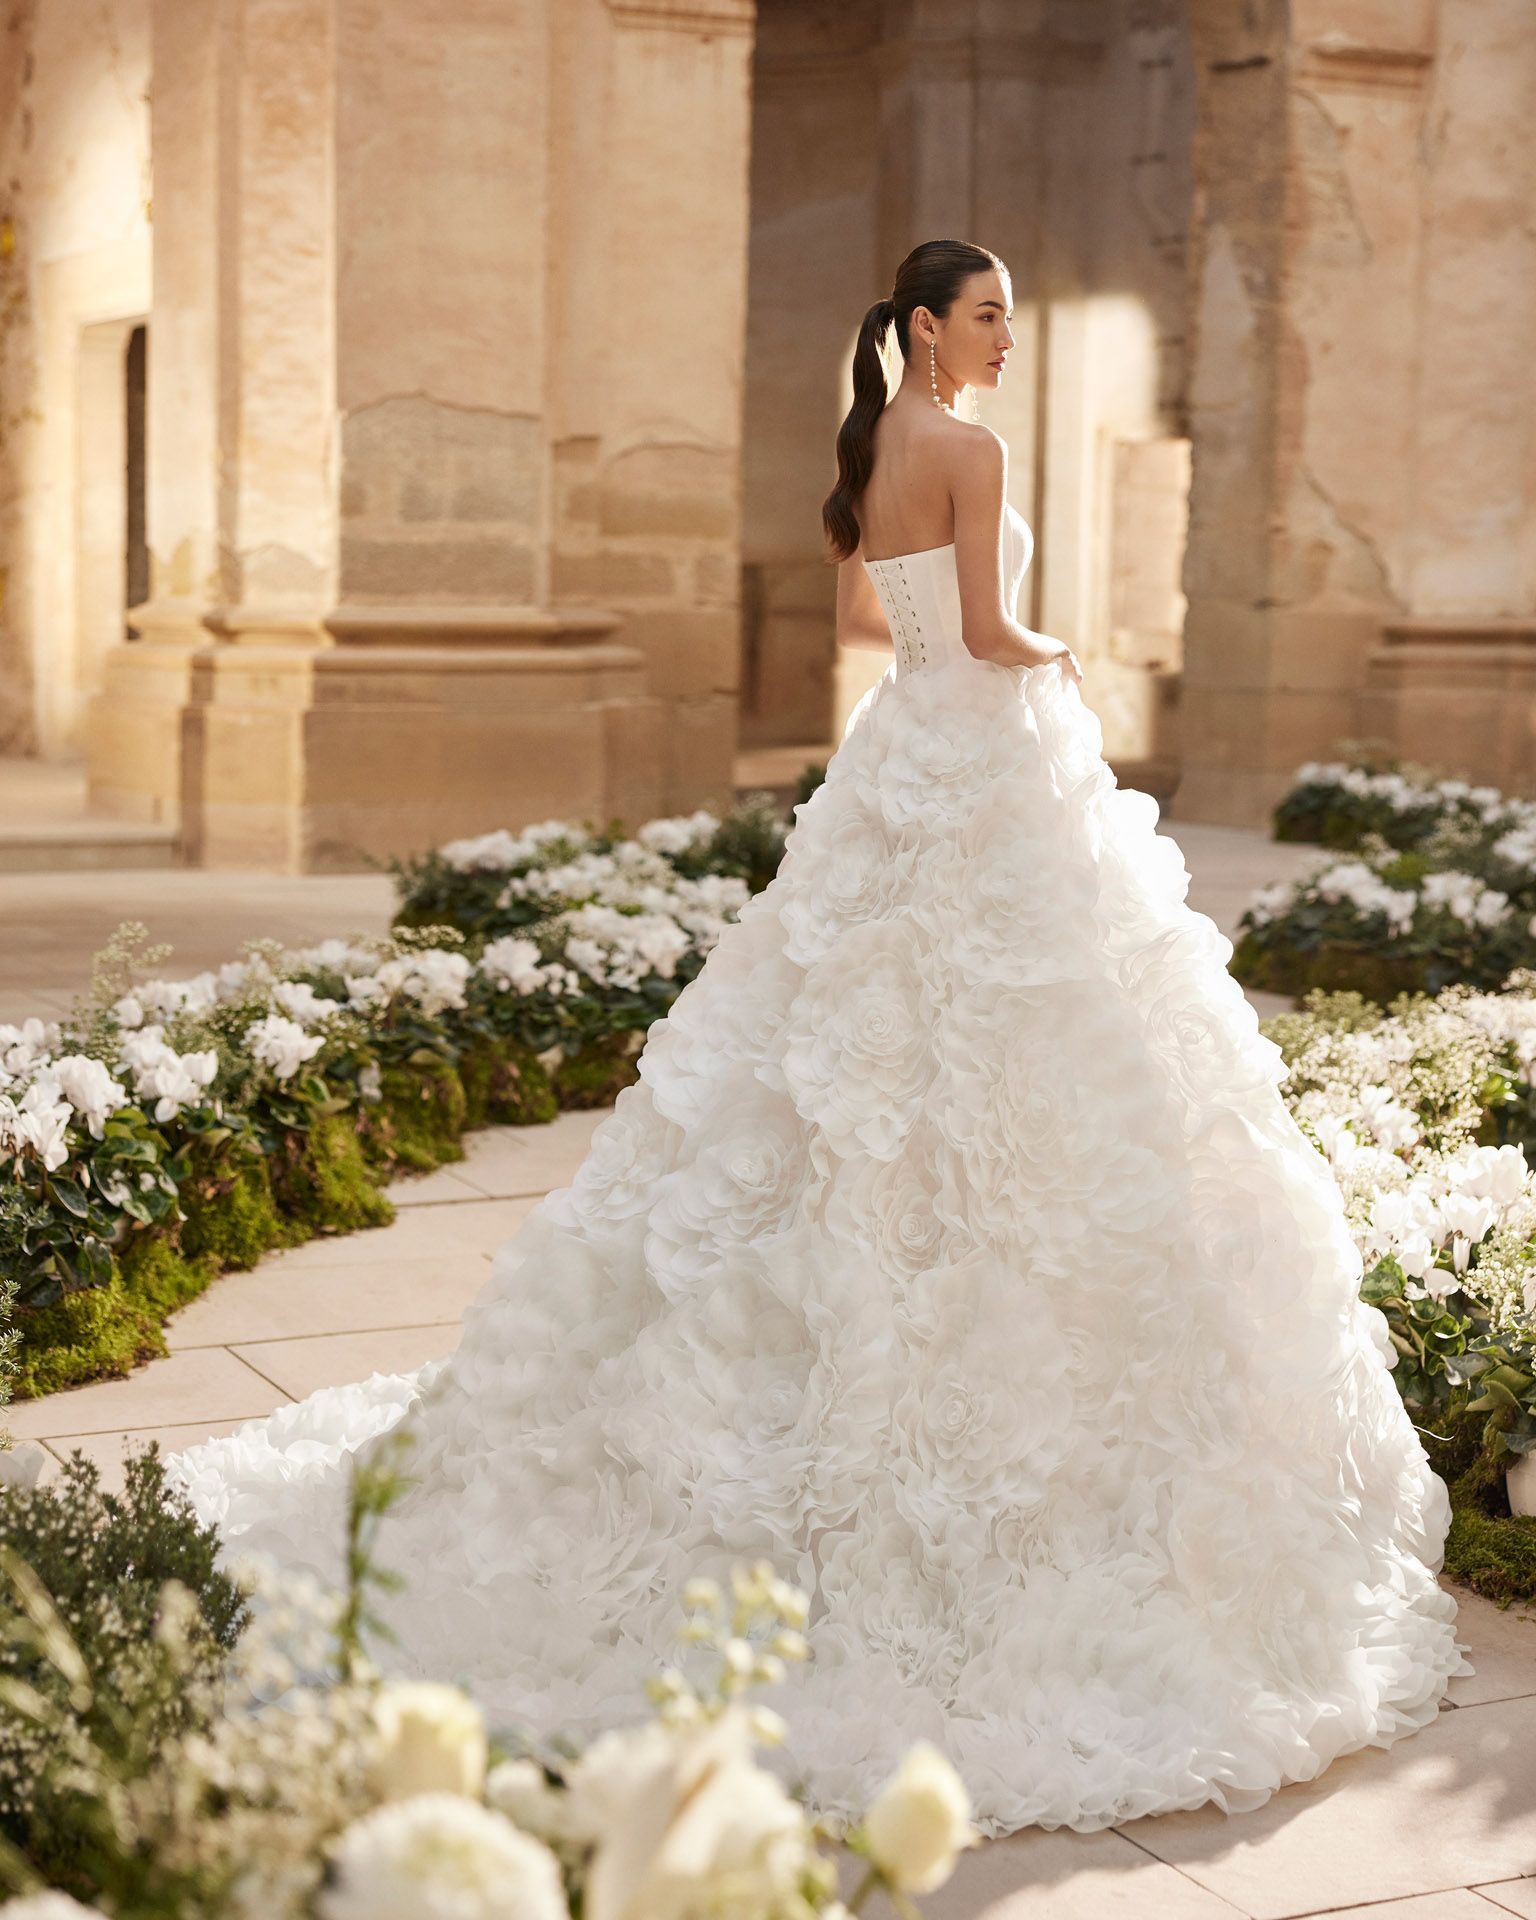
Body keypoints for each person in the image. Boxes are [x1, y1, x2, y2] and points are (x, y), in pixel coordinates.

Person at [169, 237, 1471, 1840]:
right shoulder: (970, 447)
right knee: (1010, 1044)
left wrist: (961, 646)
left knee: (853, 1039)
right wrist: (1059, 656)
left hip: (898, 749)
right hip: (983, 757)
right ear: (927, 325)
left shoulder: (874, 443)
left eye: (1009, 316)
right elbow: (988, 629)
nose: (1005, 337)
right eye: (985, 315)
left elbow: (876, 609)